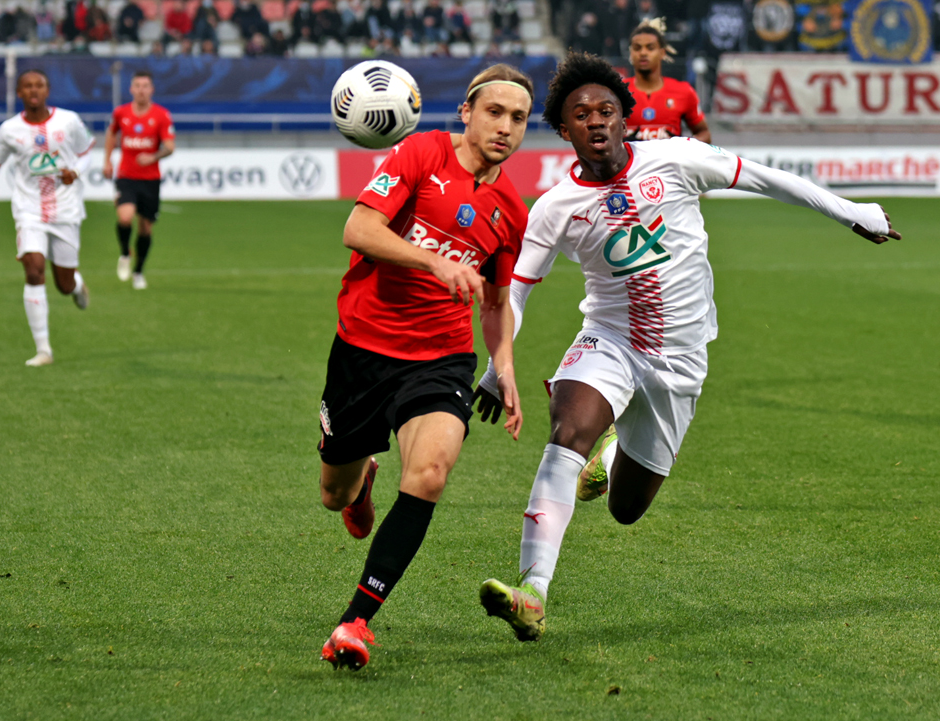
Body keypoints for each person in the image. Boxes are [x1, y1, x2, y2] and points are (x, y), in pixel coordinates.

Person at [473, 52, 899, 641]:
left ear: (625, 118)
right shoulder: (553, 209)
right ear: (563, 130)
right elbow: (514, 291)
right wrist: (499, 366)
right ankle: (533, 593)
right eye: (580, 114)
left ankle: (617, 456)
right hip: (609, 339)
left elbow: (769, 179)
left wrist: (853, 211)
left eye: (606, 110)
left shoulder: (676, 157)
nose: (595, 121)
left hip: (680, 361)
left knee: (626, 509)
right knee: (567, 430)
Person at [317, 64, 535, 672]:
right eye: (494, 112)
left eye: (518, 118)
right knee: (334, 496)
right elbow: (358, 229)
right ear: (466, 112)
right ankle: (360, 481)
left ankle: (355, 621)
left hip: (440, 358)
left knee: (432, 473)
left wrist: (504, 364)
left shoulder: (511, 210)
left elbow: (495, 303)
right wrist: (433, 263)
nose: (505, 127)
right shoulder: (420, 152)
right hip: (362, 348)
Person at [0, 69, 95, 367]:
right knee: (33, 269)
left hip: (66, 210)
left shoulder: (68, 120)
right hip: (28, 209)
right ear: (19, 93)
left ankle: (77, 286)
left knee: (63, 284)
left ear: (47, 90)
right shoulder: (8, 130)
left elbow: (87, 152)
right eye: (27, 86)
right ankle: (44, 350)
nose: (33, 90)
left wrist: (76, 172)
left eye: (39, 85)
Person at [104, 71, 175, 290]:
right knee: (125, 218)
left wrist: (153, 156)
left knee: (145, 228)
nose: (141, 90)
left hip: (151, 179)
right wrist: (107, 160)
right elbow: (111, 133)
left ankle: (138, 271)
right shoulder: (121, 112)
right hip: (126, 176)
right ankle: (125, 253)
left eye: (145, 86)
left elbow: (170, 147)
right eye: (137, 85)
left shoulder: (162, 115)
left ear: (151, 89)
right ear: (131, 89)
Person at [623, 18, 708, 142]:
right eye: (637, 48)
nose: (643, 53)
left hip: (670, 162)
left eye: (650, 48)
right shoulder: (617, 91)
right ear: (631, 53)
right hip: (631, 162)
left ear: (662, 52)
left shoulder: (684, 91)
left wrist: (686, 149)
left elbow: (704, 133)